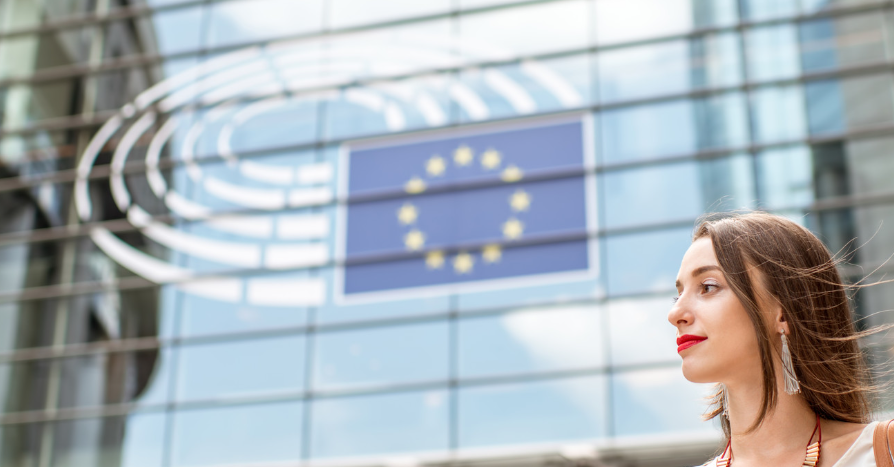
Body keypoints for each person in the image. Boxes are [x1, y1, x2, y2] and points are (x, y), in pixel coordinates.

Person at [668, 212, 891, 467]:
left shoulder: (881, 451)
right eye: (678, 296)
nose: (675, 314)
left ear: (783, 313)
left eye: (708, 287)